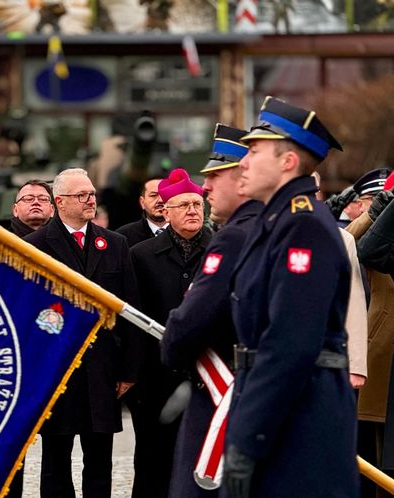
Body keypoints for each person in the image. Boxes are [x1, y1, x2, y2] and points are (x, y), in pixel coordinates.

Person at [224, 96, 359, 498]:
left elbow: (290, 343)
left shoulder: (304, 227)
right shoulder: (277, 221)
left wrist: (246, 439)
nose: (242, 162)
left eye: (253, 151)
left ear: (288, 162)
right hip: (277, 411)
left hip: (301, 418)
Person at [25, 168, 140, 498]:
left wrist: (129, 371)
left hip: (103, 370)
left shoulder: (115, 244)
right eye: (82, 195)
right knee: (56, 459)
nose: (91, 200)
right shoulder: (35, 246)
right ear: (59, 202)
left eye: (92, 194)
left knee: (100, 459)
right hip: (57, 370)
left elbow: (130, 309)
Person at [160, 125, 261, 498]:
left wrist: (172, 338)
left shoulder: (233, 236)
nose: (204, 189)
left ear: (241, 178)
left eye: (215, 177)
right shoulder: (277, 227)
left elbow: (192, 320)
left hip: (224, 388)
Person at [129, 168, 212, 498]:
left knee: (204, 459)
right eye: (184, 205)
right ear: (165, 211)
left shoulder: (221, 248)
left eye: (197, 204)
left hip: (210, 374)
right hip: (156, 377)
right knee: (153, 462)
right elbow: (132, 320)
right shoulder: (141, 255)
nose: (193, 211)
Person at [6, 179, 55, 498]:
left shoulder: (63, 243)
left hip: (54, 354)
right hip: (14, 357)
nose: (35, 202)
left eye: (42, 198)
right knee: (11, 449)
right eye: (28, 198)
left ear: (53, 207)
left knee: (56, 447)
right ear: (14, 208)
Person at [345, 186, 394, 498]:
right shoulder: (384, 235)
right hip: (382, 357)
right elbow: (347, 245)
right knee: (376, 460)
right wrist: (379, 210)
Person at [311, 173, 369, 390]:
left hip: (324, 354)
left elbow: (353, 301)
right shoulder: (266, 231)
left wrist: (356, 365)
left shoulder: (342, 239)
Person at [115, 177, 167, 247]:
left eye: (164, 194)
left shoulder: (185, 233)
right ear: (142, 202)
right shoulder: (123, 237)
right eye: (153, 195)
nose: (160, 200)